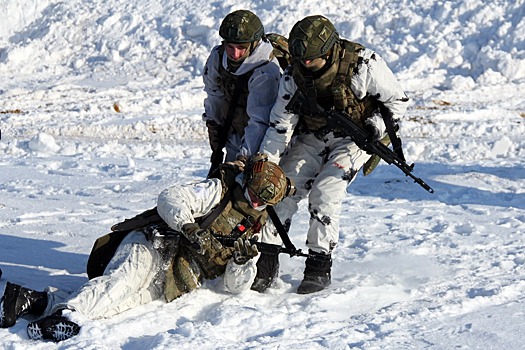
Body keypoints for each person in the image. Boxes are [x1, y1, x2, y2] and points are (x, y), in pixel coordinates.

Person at [0, 154, 295, 342]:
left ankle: (30, 300)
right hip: (154, 243)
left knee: (117, 304)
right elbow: (171, 198)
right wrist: (188, 227)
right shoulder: (216, 191)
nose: (256, 204)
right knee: (119, 284)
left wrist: (242, 265)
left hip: (173, 278)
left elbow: (233, 288)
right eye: (255, 196)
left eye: (264, 202)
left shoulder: (258, 228)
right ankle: (67, 315)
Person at [253, 15, 410, 294]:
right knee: (280, 189)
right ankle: (266, 261)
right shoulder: (294, 75)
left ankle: (318, 266)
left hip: (353, 140)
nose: (304, 64)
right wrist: (267, 164)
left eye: (310, 59)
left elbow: (396, 101)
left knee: (325, 194)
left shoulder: (364, 64)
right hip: (311, 137)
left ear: (329, 52)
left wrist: (374, 129)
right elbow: (280, 124)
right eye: (300, 59)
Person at [203, 10, 281, 175]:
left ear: (254, 44)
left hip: (264, 142)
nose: (235, 54)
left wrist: (243, 158)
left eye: (241, 48)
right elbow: (214, 95)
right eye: (230, 46)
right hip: (235, 131)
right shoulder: (218, 57)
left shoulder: (265, 70)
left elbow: (260, 121)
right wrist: (214, 127)